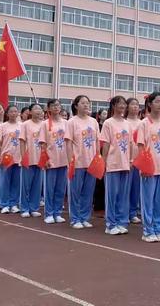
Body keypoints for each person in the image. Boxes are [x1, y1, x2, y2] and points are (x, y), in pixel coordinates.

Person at [136, 92, 160, 243]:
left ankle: (159, 229)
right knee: (148, 200)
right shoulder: (144, 124)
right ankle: (148, 230)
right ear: (150, 104)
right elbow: (140, 146)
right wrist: (143, 166)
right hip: (149, 168)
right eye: (158, 101)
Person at [65, 95, 100, 229]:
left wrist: (97, 157)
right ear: (76, 106)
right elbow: (68, 142)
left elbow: (97, 141)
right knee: (75, 191)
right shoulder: (72, 122)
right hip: (77, 162)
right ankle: (75, 218)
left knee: (88, 192)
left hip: (91, 162)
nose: (86, 105)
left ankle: (85, 217)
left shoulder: (93, 122)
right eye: (83, 103)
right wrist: (70, 160)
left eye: (88, 103)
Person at [100, 96, 133, 235]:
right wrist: (104, 161)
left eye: (124, 104)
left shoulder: (127, 123)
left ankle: (121, 221)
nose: (122, 106)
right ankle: (110, 224)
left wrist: (131, 160)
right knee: (112, 195)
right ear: (113, 105)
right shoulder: (108, 123)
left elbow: (130, 144)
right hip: (113, 163)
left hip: (125, 163)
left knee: (123, 195)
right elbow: (106, 144)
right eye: (119, 103)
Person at [39, 99, 68, 224]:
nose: (56, 107)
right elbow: (43, 143)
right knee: (50, 188)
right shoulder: (45, 124)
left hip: (64, 159)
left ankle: (57, 212)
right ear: (48, 109)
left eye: (58, 105)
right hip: (51, 159)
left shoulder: (66, 123)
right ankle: (49, 213)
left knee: (61, 188)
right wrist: (45, 159)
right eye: (53, 106)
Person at [19, 103, 44, 218]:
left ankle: (34, 208)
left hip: (40, 158)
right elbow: (22, 141)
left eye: (40, 109)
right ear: (30, 112)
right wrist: (23, 156)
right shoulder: (25, 125)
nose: (38, 111)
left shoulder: (44, 125)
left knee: (37, 185)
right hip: (29, 158)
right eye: (35, 109)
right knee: (26, 185)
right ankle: (24, 208)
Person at [0, 104, 21, 214]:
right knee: (4, 181)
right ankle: (4, 204)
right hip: (6, 157)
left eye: (15, 111)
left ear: (18, 113)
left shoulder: (22, 126)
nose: (13, 114)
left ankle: (13, 203)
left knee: (16, 182)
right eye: (11, 111)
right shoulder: (2, 126)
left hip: (18, 157)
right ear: (7, 113)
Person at [125, 97, 142, 224]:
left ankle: (132, 212)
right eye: (132, 104)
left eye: (137, 105)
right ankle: (124, 212)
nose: (135, 107)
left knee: (136, 187)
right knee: (126, 187)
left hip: (138, 159)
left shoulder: (142, 123)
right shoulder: (124, 122)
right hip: (126, 159)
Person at [93, 109, 108, 213]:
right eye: (103, 113)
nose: (105, 115)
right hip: (99, 154)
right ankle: (97, 204)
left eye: (106, 113)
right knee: (98, 181)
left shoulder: (107, 125)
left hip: (104, 152)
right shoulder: (97, 125)